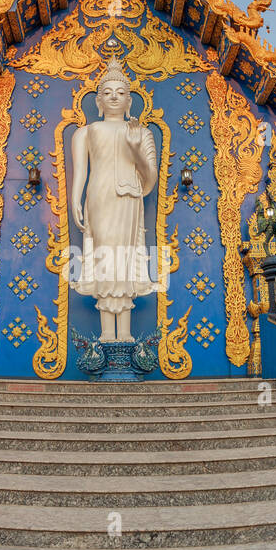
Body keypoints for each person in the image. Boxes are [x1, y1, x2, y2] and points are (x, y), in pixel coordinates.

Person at [69, 58, 158, 342]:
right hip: (99, 198)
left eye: (120, 93)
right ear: (98, 101)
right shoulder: (86, 132)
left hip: (130, 199)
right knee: (105, 259)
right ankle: (108, 335)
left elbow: (150, 179)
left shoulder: (141, 133)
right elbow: (81, 173)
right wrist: (75, 200)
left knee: (126, 258)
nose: (114, 97)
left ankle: (126, 335)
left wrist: (134, 150)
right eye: (108, 93)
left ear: (130, 101)